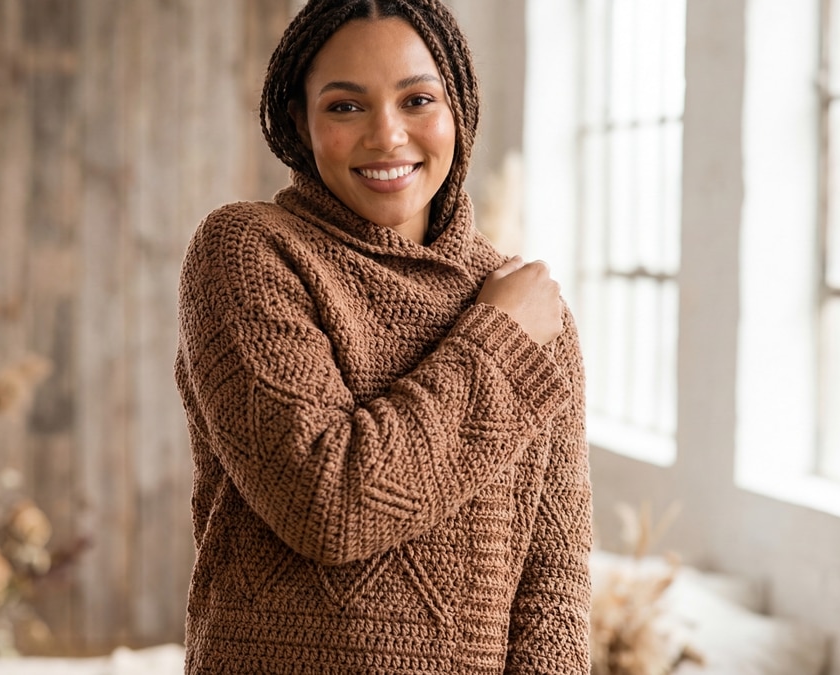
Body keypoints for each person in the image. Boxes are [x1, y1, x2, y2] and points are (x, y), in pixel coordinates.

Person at [173, 0, 591, 672]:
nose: (387, 136)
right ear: (299, 121)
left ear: (459, 110)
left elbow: (555, 584)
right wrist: (498, 343)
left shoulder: (530, 309)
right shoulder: (248, 251)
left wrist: (508, 329)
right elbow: (328, 504)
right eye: (346, 106)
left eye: (417, 100)